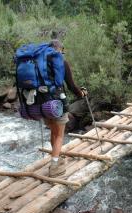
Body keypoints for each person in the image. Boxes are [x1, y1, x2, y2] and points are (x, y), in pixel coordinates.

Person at [47, 40, 86, 177]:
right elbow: (71, 85)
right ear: (60, 49)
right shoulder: (61, 63)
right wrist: (81, 94)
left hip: (42, 104)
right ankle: (54, 166)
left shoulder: (39, 63)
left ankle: (56, 158)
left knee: (53, 132)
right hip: (56, 103)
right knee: (59, 135)